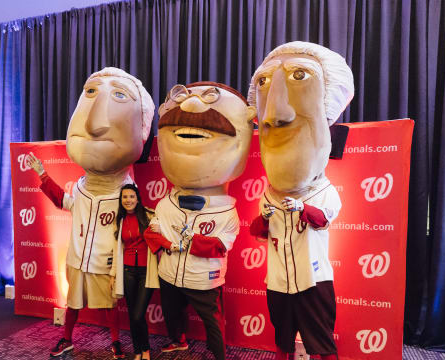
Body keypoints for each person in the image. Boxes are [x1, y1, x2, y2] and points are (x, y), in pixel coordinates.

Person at [26, 67, 155, 359]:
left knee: (109, 305)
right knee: (73, 302)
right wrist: (43, 175)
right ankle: (67, 338)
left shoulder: (126, 194)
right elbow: (64, 200)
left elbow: (134, 229)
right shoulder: (82, 189)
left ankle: (114, 341)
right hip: (77, 257)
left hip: (103, 261)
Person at [247, 41, 354, 360]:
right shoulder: (270, 191)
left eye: (298, 76)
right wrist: (265, 216)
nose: (277, 115)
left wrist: (301, 208)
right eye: (265, 83)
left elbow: (323, 220)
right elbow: (258, 231)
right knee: (282, 338)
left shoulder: (325, 190)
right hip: (278, 278)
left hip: (313, 277)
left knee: (320, 339)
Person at [144, 81, 256, 360]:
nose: (193, 104)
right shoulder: (166, 203)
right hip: (171, 273)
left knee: (212, 321)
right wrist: (170, 245)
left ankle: (219, 354)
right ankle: (177, 340)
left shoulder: (226, 211)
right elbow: (153, 231)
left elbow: (221, 245)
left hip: (204, 279)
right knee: (172, 312)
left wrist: (189, 242)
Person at [110, 184, 157, 360]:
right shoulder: (120, 220)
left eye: (131, 196)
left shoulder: (149, 215)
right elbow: (116, 249)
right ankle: (139, 351)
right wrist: (113, 274)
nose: (128, 200)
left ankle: (145, 348)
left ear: (137, 198)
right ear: (121, 201)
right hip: (127, 271)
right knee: (132, 314)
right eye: (124, 197)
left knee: (138, 314)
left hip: (146, 271)